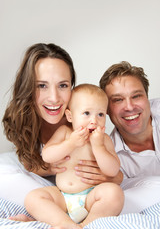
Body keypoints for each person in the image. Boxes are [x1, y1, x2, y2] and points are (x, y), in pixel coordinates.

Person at [1, 43, 122, 207]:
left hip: (91, 193)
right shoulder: (24, 119)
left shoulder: (83, 119)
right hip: (62, 194)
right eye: (42, 85)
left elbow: (117, 172)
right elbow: (30, 164)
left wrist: (109, 176)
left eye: (63, 85)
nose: (54, 97)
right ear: (28, 87)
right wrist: (52, 166)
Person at [15, 84, 124, 229]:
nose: (94, 120)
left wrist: (99, 147)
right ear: (70, 116)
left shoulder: (103, 140)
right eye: (86, 113)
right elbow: (47, 156)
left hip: (91, 197)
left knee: (114, 193)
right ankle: (63, 223)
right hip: (63, 197)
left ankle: (86, 224)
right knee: (33, 198)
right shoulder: (65, 133)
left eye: (100, 114)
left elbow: (112, 170)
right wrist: (70, 144)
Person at [99, 61, 160, 213]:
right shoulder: (109, 158)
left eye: (136, 96)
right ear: (106, 108)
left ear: (146, 97)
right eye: (118, 100)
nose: (130, 107)